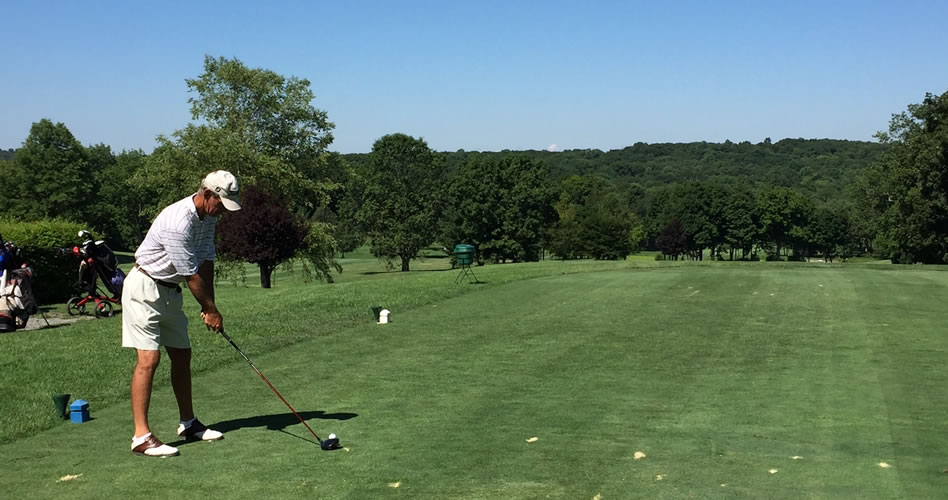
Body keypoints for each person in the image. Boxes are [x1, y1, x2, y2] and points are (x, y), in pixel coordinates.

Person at [122, 170, 241, 457]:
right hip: (144, 289)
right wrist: (210, 310)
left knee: (182, 354)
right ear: (207, 194)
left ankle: (188, 423)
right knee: (149, 359)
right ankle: (141, 436)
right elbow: (190, 274)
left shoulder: (208, 218)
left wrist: (210, 305)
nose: (224, 212)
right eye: (221, 204)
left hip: (170, 292)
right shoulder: (179, 221)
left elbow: (206, 262)